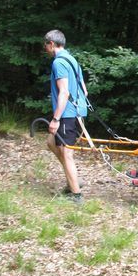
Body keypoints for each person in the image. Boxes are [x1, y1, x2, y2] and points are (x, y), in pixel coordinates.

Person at [43, 30, 89, 204]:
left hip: (67, 114)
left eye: (45, 45)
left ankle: (76, 195)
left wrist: (55, 119)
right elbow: (84, 89)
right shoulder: (72, 59)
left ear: (51, 44)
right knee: (50, 142)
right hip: (77, 111)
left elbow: (64, 92)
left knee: (66, 152)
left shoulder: (59, 63)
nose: (45, 48)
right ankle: (73, 180)